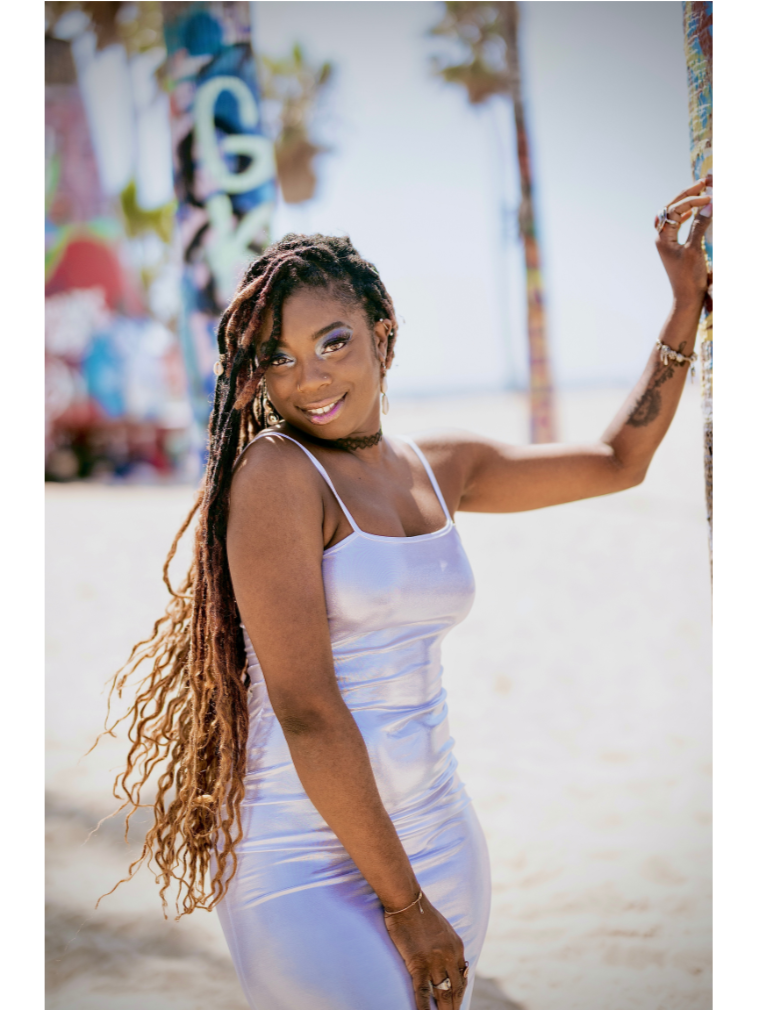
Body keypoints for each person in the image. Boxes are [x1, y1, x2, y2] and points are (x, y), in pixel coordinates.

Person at [107, 178, 711, 1010]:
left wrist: (685, 307)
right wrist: (407, 906)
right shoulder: (278, 474)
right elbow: (308, 707)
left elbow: (619, 461)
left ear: (382, 336)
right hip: (303, 856)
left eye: (332, 343)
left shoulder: (441, 466)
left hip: (438, 834)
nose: (307, 379)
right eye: (278, 359)